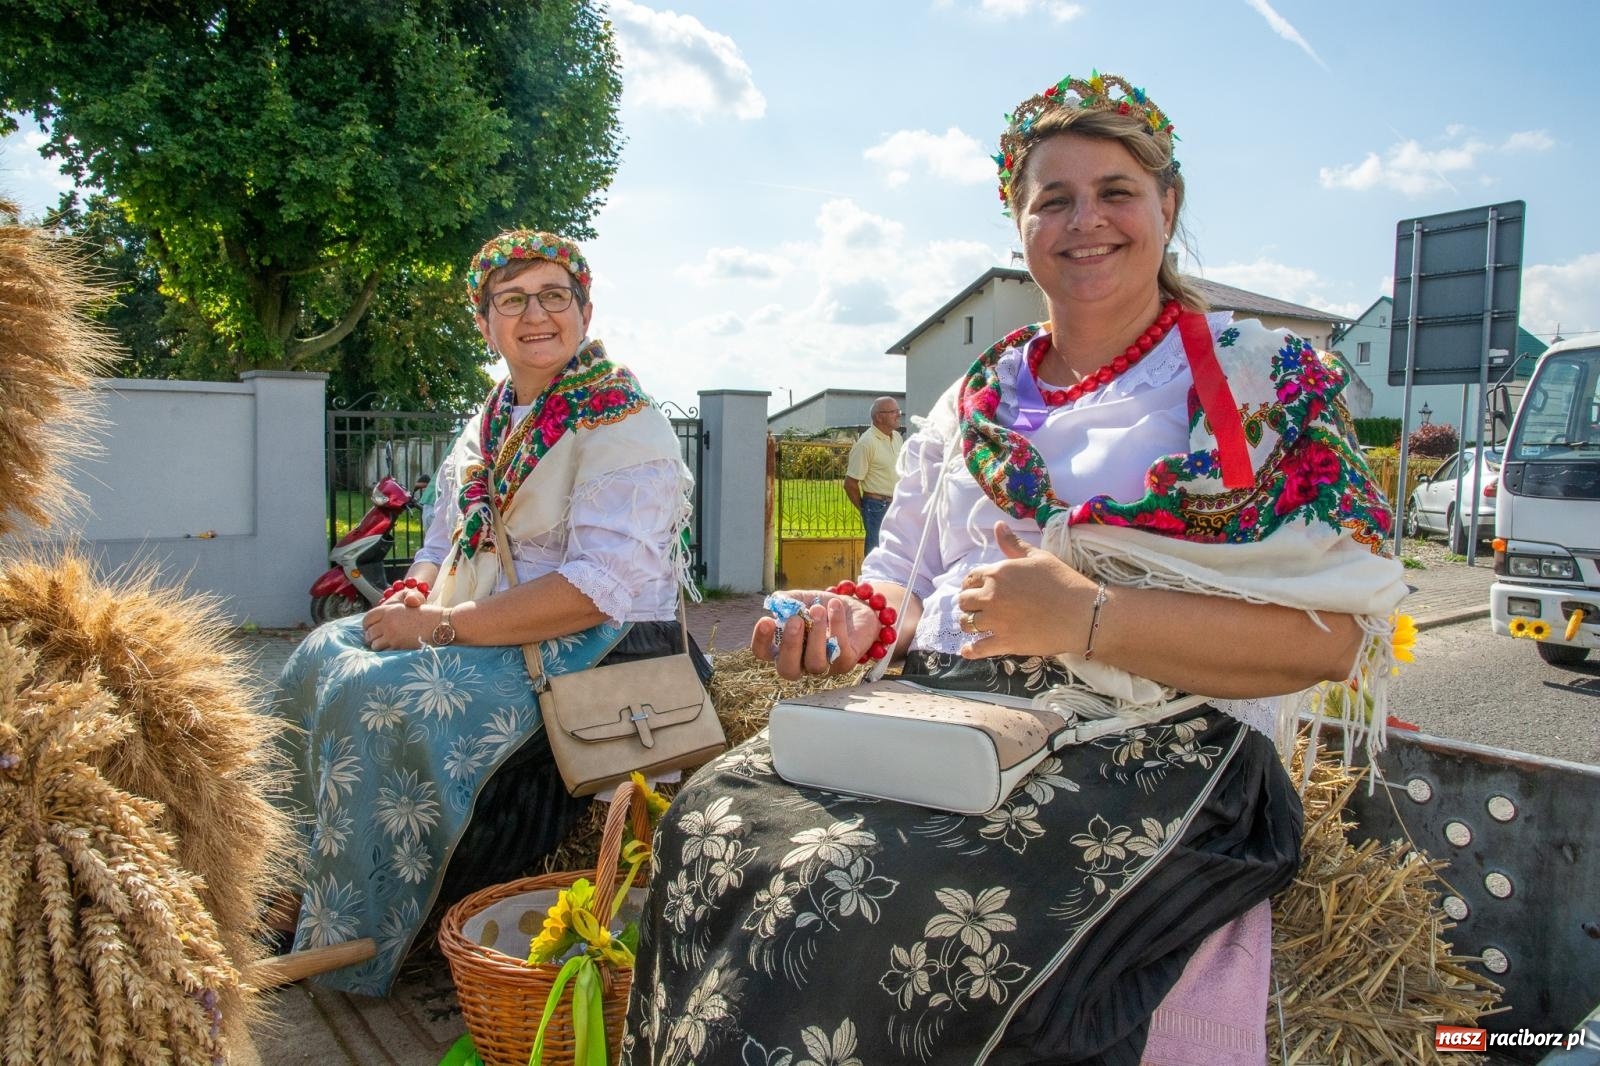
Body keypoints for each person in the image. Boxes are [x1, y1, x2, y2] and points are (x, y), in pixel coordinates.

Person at [620, 73, 1407, 1065]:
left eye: (1116, 190)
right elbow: (900, 569)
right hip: (949, 718)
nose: (1086, 220)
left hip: (1160, 740)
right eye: (1053, 197)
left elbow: (1328, 642)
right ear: (1018, 223)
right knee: (710, 821)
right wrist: (856, 617)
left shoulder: (1262, 380)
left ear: (1168, 205)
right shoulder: (975, 399)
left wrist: (1083, 617)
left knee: (884, 895)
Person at [270, 230, 700, 996]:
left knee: (381, 697)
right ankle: (300, 882)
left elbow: (595, 589)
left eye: (553, 295)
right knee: (324, 653)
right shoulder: (491, 419)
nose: (535, 315)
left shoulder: (621, 420)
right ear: (485, 322)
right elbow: (444, 534)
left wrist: (439, 627)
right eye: (512, 300)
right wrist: (418, 589)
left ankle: (370, 924)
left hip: (604, 644)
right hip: (486, 623)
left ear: (585, 308)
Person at [843, 395, 904, 551]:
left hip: (896, 505)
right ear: (879, 417)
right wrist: (865, 510)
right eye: (893, 411)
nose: (899, 414)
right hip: (876, 506)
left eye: (898, 410)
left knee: (896, 553)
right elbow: (850, 484)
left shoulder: (897, 437)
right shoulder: (866, 443)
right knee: (877, 553)